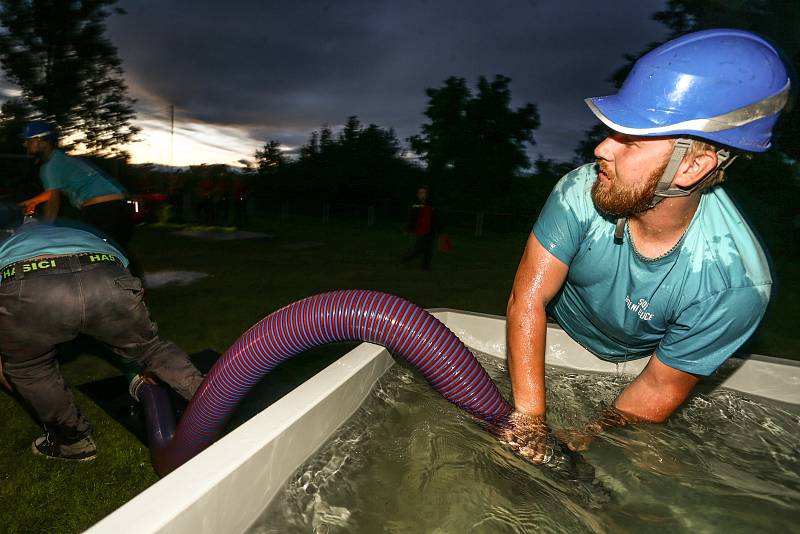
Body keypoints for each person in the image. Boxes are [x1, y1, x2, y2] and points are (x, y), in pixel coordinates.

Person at [503, 29, 791, 461]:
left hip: (640, 368)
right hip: (554, 334)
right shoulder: (579, 191)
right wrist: (529, 419)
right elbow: (527, 300)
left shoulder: (735, 284)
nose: (601, 148)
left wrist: (581, 446)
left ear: (693, 166)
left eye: (631, 140)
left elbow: (658, 386)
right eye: (611, 131)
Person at [0, 204, 205, 461]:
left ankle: (73, 442)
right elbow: (128, 266)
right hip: (105, 272)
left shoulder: (9, 238)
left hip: (28, 283)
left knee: (30, 368)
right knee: (152, 349)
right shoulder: (78, 227)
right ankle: (215, 401)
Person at [20, 121, 134, 253]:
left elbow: (53, 202)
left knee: (94, 253)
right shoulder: (61, 159)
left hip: (101, 210)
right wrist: (33, 201)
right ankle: (131, 272)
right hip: (118, 206)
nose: (24, 144)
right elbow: (52, 191)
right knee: (117, 251)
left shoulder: (50, 166)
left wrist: (45, 230)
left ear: (41, 140)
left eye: (27, 140)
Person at [402, 185, 439, 270]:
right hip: (421, 230)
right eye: (419, 193)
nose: (420, 194)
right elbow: (411, 218)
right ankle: (407, 259)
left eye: (423, 192)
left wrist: (438, 229)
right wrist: (408, 229)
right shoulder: (415, 205)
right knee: (419, 248)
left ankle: (425, 266)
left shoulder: (432, 204)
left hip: (430, 230)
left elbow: (436, 217)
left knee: (429, 249)